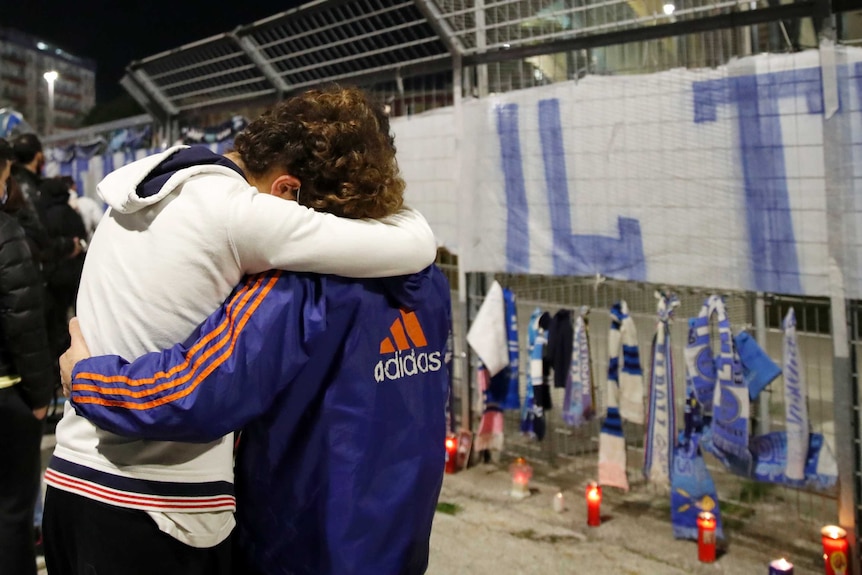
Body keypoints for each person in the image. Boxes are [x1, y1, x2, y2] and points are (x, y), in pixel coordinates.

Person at [43, 86, 438, 575]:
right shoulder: (245, 219)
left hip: (73, 478)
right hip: (162, 507)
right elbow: (414, 243)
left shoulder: (151, 183)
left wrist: (84, 378)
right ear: (288, 193)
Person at [61, 226, 450, 575]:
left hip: (305, 545)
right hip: (402, 535)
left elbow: (195, 392)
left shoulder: (298, 287)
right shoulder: (428, 280)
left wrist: (90, 381)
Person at [0, 137, 55, 575]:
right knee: (12, 510)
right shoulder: (5, 231)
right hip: (6, 393)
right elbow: (23, 320)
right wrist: (40, 396)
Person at [38, 177, 87, 357]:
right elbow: (83, 236)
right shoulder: (72, 212)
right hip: (77, 271)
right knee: (78, 316)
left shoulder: (44, 215)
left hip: (56, 274)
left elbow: (45, 245)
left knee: (58, 319)